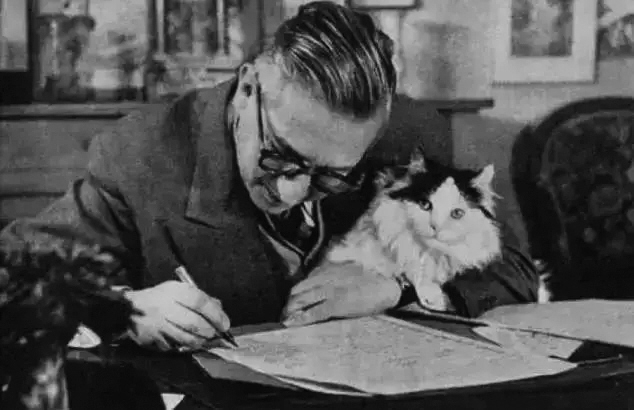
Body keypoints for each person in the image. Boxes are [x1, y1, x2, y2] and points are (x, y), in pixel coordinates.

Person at [0, 1, 538, 351]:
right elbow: (14, 275)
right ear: (248, 88)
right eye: (280, 157)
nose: (291, 191)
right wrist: (120, 309)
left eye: (332, 177)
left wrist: (398, 288)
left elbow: (514, 271)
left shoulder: (409, 139)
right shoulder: (142, 154)